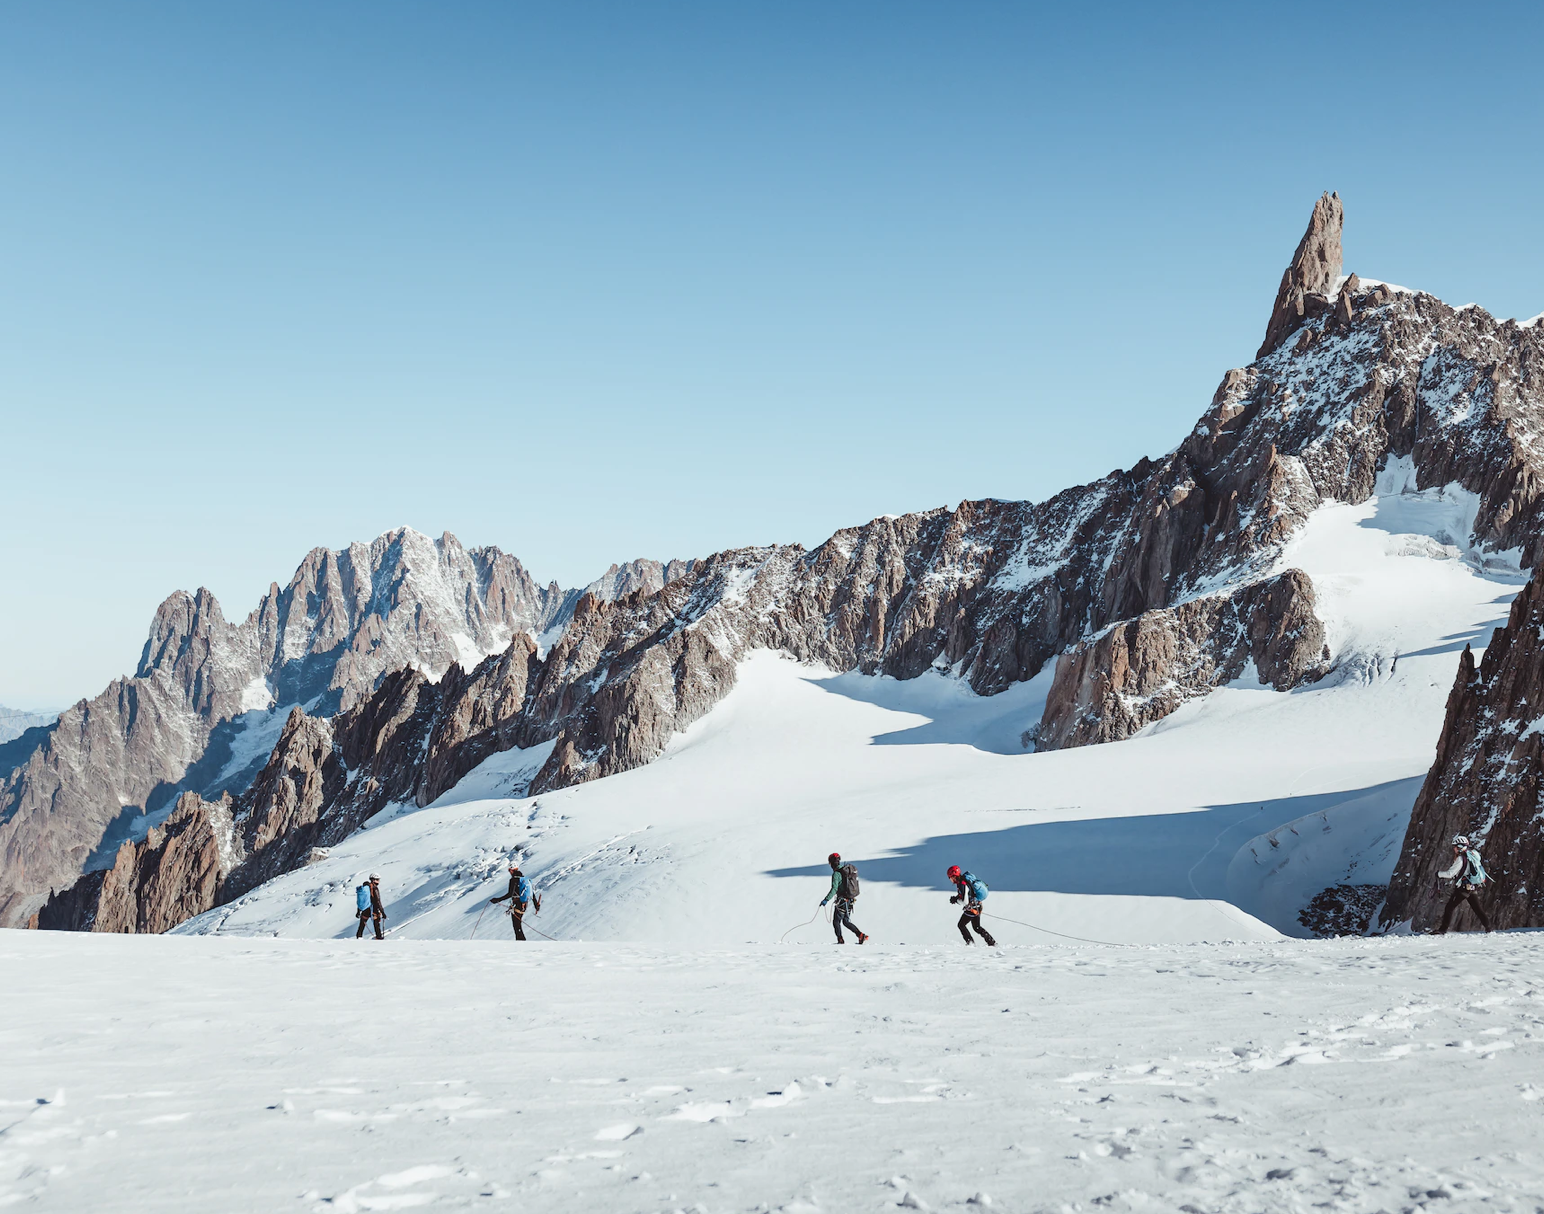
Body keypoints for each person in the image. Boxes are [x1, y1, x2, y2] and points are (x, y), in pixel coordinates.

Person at [1436, 835, 1492, 934]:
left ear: (1460, 847)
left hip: (1463, 888)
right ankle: (1488, 928)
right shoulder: (1473, 854)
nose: (1454, 849)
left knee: (1449, 907)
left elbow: (1450, 873)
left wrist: (1439, 874)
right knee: (1477, 909)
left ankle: (1442, 930)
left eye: (1455, 846)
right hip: (1472, 886)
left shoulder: (1461, 859)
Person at [819, 852, 868, 944]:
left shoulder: (836, 874)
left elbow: (834, 889)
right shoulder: (845, 871)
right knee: (845, 921)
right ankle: (860, 935)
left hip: (842, 900)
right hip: (850, 900)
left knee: (836, 922)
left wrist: (826, 900)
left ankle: (840, 940)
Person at [947, 864, 996, 946]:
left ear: (954, 876)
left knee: (961, 925)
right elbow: (967, 895)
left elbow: (964, 901)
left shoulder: (962, 884)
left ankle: (970, 943)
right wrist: (956, 898)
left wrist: (956, 900)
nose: (950, 879)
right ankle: (992, 942)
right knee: (977, 927)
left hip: (972, 908)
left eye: (950, 877)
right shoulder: (964, 881)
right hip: (977, 906)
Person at [489, 863, 541, 940]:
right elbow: (532, 893)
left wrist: (497, 900)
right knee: (518, 925)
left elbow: (510, 894)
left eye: (509, 870)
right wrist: (536, 905)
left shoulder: (513, 880)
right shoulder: (524, 879)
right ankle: (521, 942)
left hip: (517, 904)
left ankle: (521, 943)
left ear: (512, 870)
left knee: (516, 926)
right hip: (524, 904)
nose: (509, 872)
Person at [355, 873, 386, 940]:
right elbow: (378, 901)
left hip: (365, 909)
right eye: (377, 879)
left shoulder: (366, 889)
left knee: (362, 924)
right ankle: (379, 937)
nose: (378, 881)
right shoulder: (374, 888)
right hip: (374, 909)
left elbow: (362, 900)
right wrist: (382, 912)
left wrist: (358, 911)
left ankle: (359, 937)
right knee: (376, 924)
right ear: (374, 880)